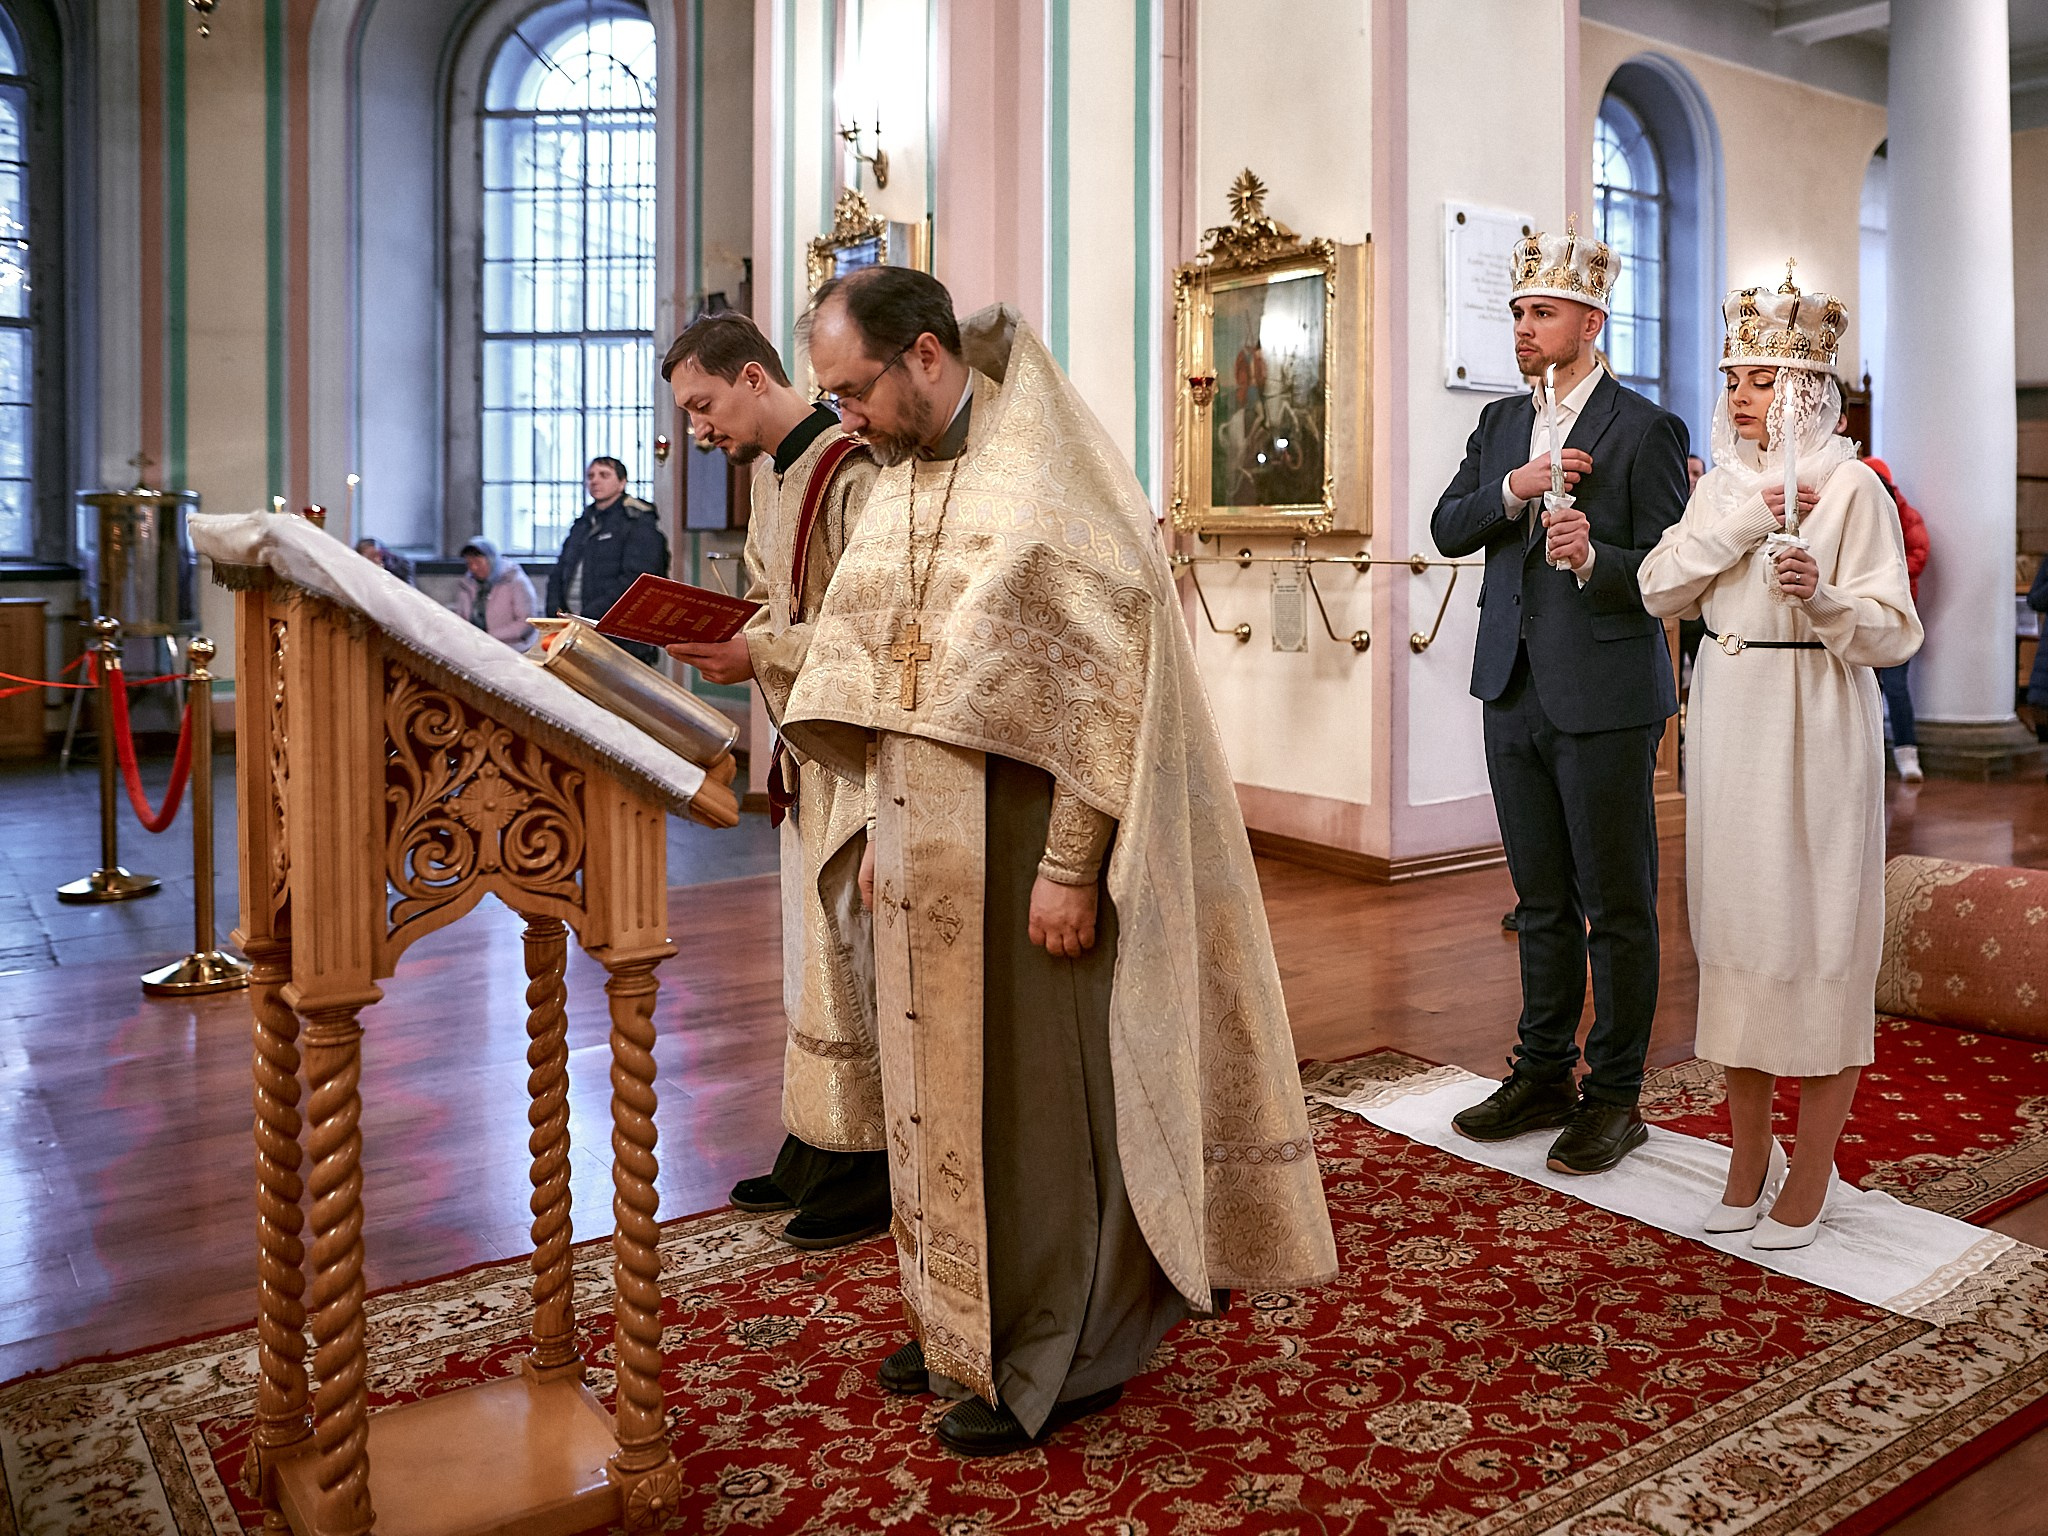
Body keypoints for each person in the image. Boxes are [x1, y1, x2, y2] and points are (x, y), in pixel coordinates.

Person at [781, 268, 1336, 1456]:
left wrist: (1072, 865)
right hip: (923, 837)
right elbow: (881, 679)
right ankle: (956, 1319)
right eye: (829, 400)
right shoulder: (897, 480)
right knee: (934, 1090)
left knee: (1041, 1104)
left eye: (853, 393)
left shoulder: (1048, 481)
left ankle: (1070, 1342)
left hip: (1028, 839)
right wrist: (880, 822)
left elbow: (1111, 694)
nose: (845, 421)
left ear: (923, 355)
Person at [1639, 271, 1921, 1249]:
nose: (1739, 395)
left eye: (1760, 378)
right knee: (1737, 939)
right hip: (1727, 721)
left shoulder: (1851, 487)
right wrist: (1749, 516)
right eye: (1732, 378)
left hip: (1814, 721)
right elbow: (1654, 589)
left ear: (1805, 390)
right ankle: (1744, 1162)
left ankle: (1811, 1175)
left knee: (1814, 939)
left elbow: (1892, 636)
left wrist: (1825, 599)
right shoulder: (1720, 487)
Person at [1429, 220, 1689, 1176]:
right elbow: (1450, 524)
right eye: (1516, 314)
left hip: (1609, 693)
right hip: (1512, 686)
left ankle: (1616, 1095)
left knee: (1616, 904)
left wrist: (1598, 560)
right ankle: (1543, 1071)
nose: (1523, 329)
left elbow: (1673, 569)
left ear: (1590, 318)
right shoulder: (1502, 425)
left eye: (1541, 313)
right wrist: (1516, 487)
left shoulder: (1646, 427)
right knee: (1539, 898)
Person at [658, 310, 889, 1251]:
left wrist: (749, 644)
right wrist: (733, 626)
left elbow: (873, 627)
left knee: (851, 949)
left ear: (755, 377)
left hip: (856, 748)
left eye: (704, 405)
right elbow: (772, 597)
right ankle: (818, 1137)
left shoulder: (853, 471)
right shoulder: (773, 478)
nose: (698, 429)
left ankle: (871, 1159)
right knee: (811, 954)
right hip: (801, 746)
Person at [544, 457, 669, 663]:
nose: (594, 481)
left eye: (604, 475)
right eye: (590, 476)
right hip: (573, 629)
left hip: (619, 637)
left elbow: (635, 582)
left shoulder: (637, 524)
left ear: (622, 482)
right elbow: (560, 571)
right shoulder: (583, 523)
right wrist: (555, 611)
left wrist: (588, 616)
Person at [1856, 451, 1929, 782]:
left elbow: (1919, 552)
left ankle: (1906, 754)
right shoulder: (1857, 510)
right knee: (1859, 686)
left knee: (1897, 687)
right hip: (1860, 610)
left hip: (1895, 609)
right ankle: (1865, 755)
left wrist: (1888, 574)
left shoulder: (1904, 514)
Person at [448, 537, 539, 652]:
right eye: (469, 563)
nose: (474, 568)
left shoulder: (515, 581)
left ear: (491, 560)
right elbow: (461, 617)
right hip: (476, 649)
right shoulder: (467, 585)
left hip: (513, 650)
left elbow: (526, 622)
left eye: (478, 562)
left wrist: (488, 636)